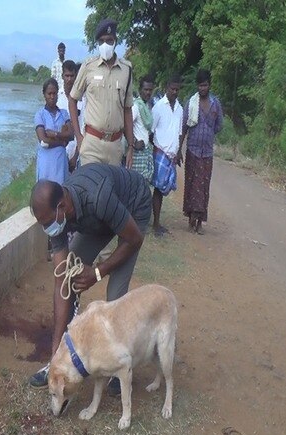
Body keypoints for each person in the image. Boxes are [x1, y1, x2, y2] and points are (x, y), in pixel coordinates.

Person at [27, 164, 152, 392]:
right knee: (68, 281)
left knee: (115, 296)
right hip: (100, 219)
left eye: (47, 223)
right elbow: (60, 282)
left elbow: (134, 239)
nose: (47, 228)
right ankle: (56, 360)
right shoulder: (57, 217)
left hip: (134, 207)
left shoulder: (98, 196)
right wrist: (55, 352)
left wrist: (97, 272)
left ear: (62, 206)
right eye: (42, 224)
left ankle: (121, 367)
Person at [69, 18, 134, 168]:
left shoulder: (127, 70)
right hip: (92, 143)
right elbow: (72, 100)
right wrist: (79, 137)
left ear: (115, 41)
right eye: (101, 41)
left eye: (109, 40)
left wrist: (130, 146)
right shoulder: (88, 66)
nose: (105, 45)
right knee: (92, 188)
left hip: (115, 146)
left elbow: (127, 110)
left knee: (111, 190)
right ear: (98, 43)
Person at [179, 69, 223, 235]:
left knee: (203, 186)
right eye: (200, 85)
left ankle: (199, 221)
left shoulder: (215, 104)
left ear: (209, 85)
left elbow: (219, 125)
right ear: (197, 86)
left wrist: (208, 133)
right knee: (191, 184)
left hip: (207, 153)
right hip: (192, 150)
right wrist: (178, 149)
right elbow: (184, 126)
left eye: (205, 85)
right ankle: (191, 218)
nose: (202, 88)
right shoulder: (191, 103)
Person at [150, 75, 183, 235]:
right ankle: (155, 224)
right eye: (172, 89)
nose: (175, 92)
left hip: (171, 155)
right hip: (159, 152)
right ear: (167, 88)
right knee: (157, 189)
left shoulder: (180, 109)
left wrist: (178, 152)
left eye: (177, 89)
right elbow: (151, 130)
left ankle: (156, 222)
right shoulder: (158, 107)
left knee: (162, 190)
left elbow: (178, 133)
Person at [34, 78, 73, 184]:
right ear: (44, 94)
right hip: (45, 163)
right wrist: (61, 142)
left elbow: (71, 135)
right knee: (44, 194)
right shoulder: (40, 115)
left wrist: (55, 134)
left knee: (61, 193)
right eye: (49, 93)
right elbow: (43, 141)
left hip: (60, 162)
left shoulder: (64, 114)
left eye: (54, 93)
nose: (52, 97)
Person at [57, 60, 83, 172]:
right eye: (66, 76)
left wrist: (76, 156)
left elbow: (84, 127)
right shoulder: (56, 97)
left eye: (72, 76)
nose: (69, 79)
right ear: (62, 76)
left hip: (79, 151)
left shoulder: (83, 99)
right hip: (60, 150)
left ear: (76, 76)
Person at [129, 76, 155, 183]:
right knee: (136, 186)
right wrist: (134, 141)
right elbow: (125, 126)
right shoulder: (136, 106)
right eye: (146, 89)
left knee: (144, 188)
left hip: (145, 152)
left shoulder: (146, 106)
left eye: (150, 90)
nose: (148, 92)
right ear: (140, 90)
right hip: (137, 153)